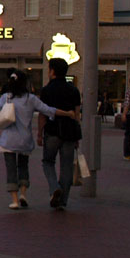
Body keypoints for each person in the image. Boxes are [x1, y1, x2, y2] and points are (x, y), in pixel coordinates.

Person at [0, 69, 76, 210]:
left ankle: (14, 200)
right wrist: (67, 113)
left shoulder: (6, 97)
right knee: (23, 166)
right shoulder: (30, 99)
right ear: (25, 83)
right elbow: (48, 110)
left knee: (11, 169)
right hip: (25, 140)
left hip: (8, 140)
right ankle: (23, 193)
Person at [37, 58, 82, 210]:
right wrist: (77, 135)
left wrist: (39, 133)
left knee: (48, 161)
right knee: (67, 166)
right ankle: (62, 201)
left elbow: (42, 114)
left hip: (52, 130)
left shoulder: (46, 90)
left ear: (52, 71)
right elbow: (77, 115)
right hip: (70, 132)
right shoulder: (74, 90)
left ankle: (54, 187)